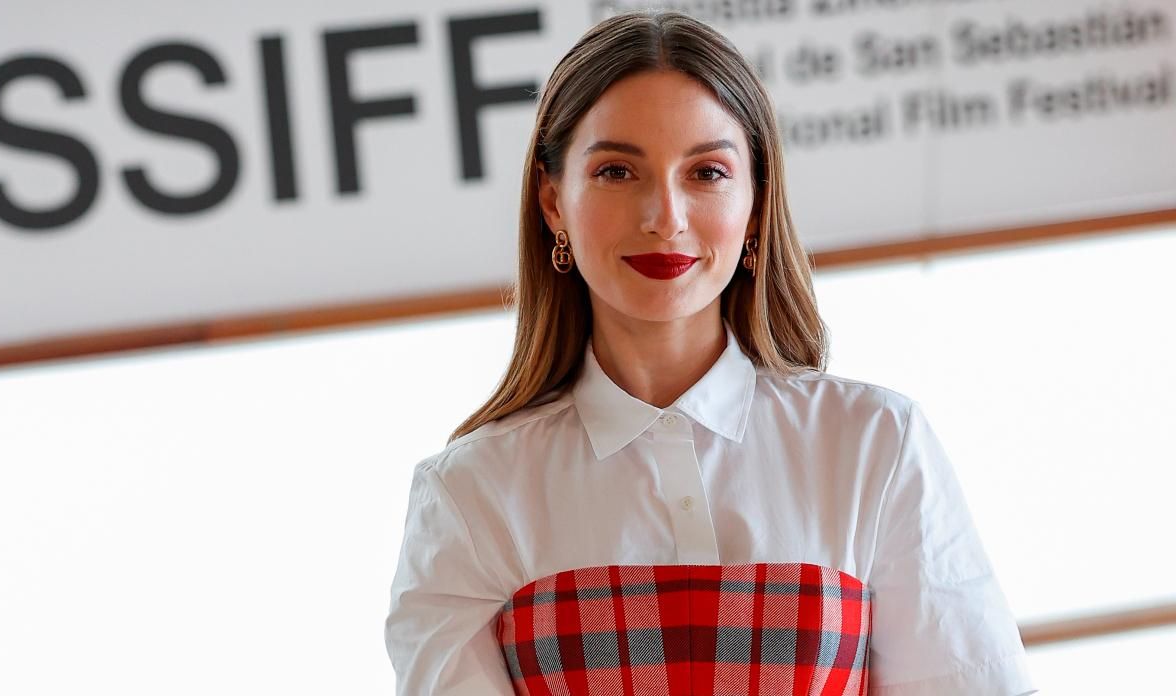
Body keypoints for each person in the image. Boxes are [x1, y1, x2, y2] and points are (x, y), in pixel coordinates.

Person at [385, 9, 1037, 696]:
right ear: (554, 202)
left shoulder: (876, 445)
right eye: (616, 170)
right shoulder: (469, 495)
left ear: (756, 204)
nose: (664, 217)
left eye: (707, 173)